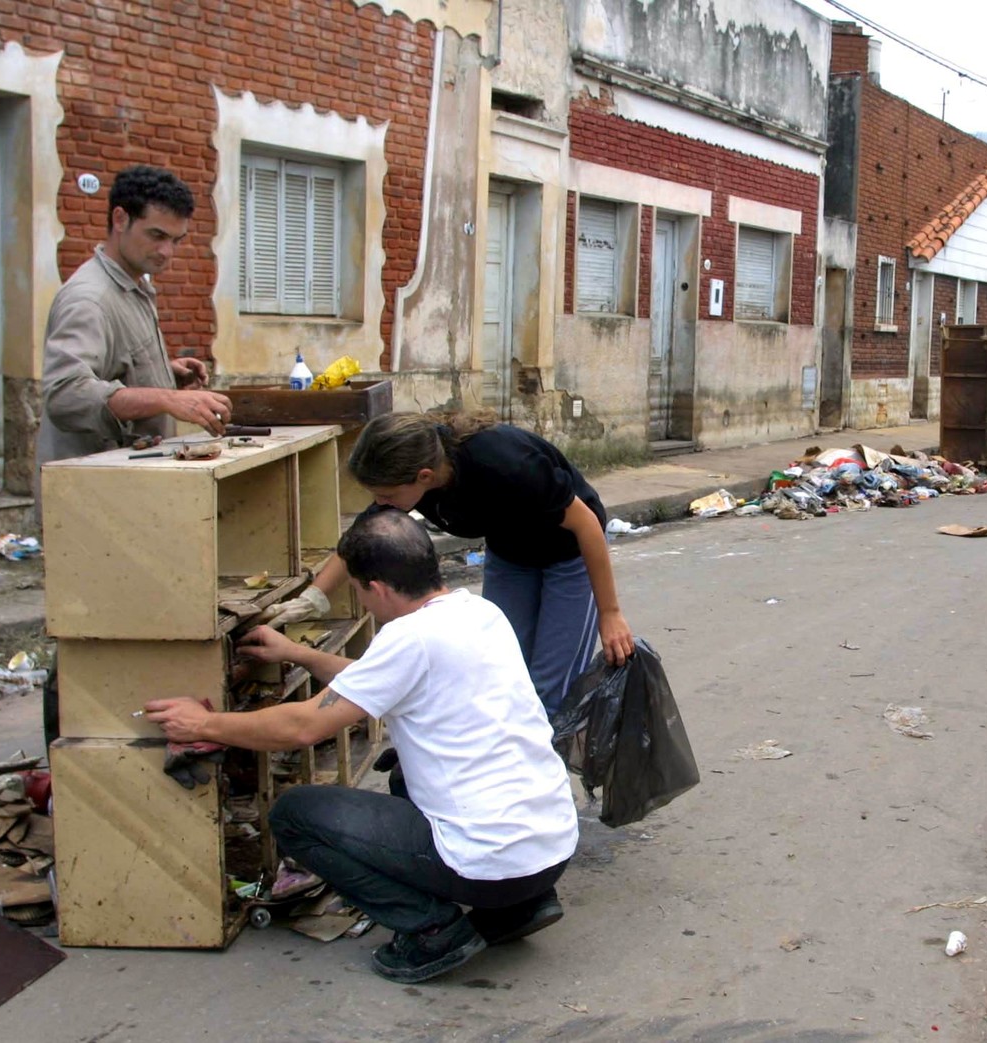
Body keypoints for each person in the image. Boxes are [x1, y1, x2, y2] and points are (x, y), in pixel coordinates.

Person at [145, 509, 578, 984]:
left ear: (376, 587)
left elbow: (302, 728)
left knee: (295, 815)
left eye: (355, 589)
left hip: (489, 862)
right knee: (400, 771)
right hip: (550, 851)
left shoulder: (408, 637)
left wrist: (203, 723)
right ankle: (519, 907)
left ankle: (434, 930)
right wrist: (295, 654)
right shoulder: (477, 611)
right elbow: (373, 683)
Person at [263, 412, 634, 718]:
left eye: (386, 495)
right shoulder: (414, 476)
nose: (381, 502)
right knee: (500, 673)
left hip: (568, 554)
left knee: (551, 688)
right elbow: (363, 535)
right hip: (511, 554)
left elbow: (586, 524)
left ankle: (542, 794)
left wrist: (610, 613)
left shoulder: (503, 463)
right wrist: (313, 597)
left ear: (423, 477)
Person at [38, 164, 232, 469]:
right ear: (120, 219)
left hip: (131, 485)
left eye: (176, 240)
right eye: (157, 235)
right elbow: (65, 395)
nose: (167, 251)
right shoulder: (89, 298)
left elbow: (109, 366)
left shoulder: (134, 284)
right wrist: (166, 399)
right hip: (91, 491)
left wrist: (161, 372)